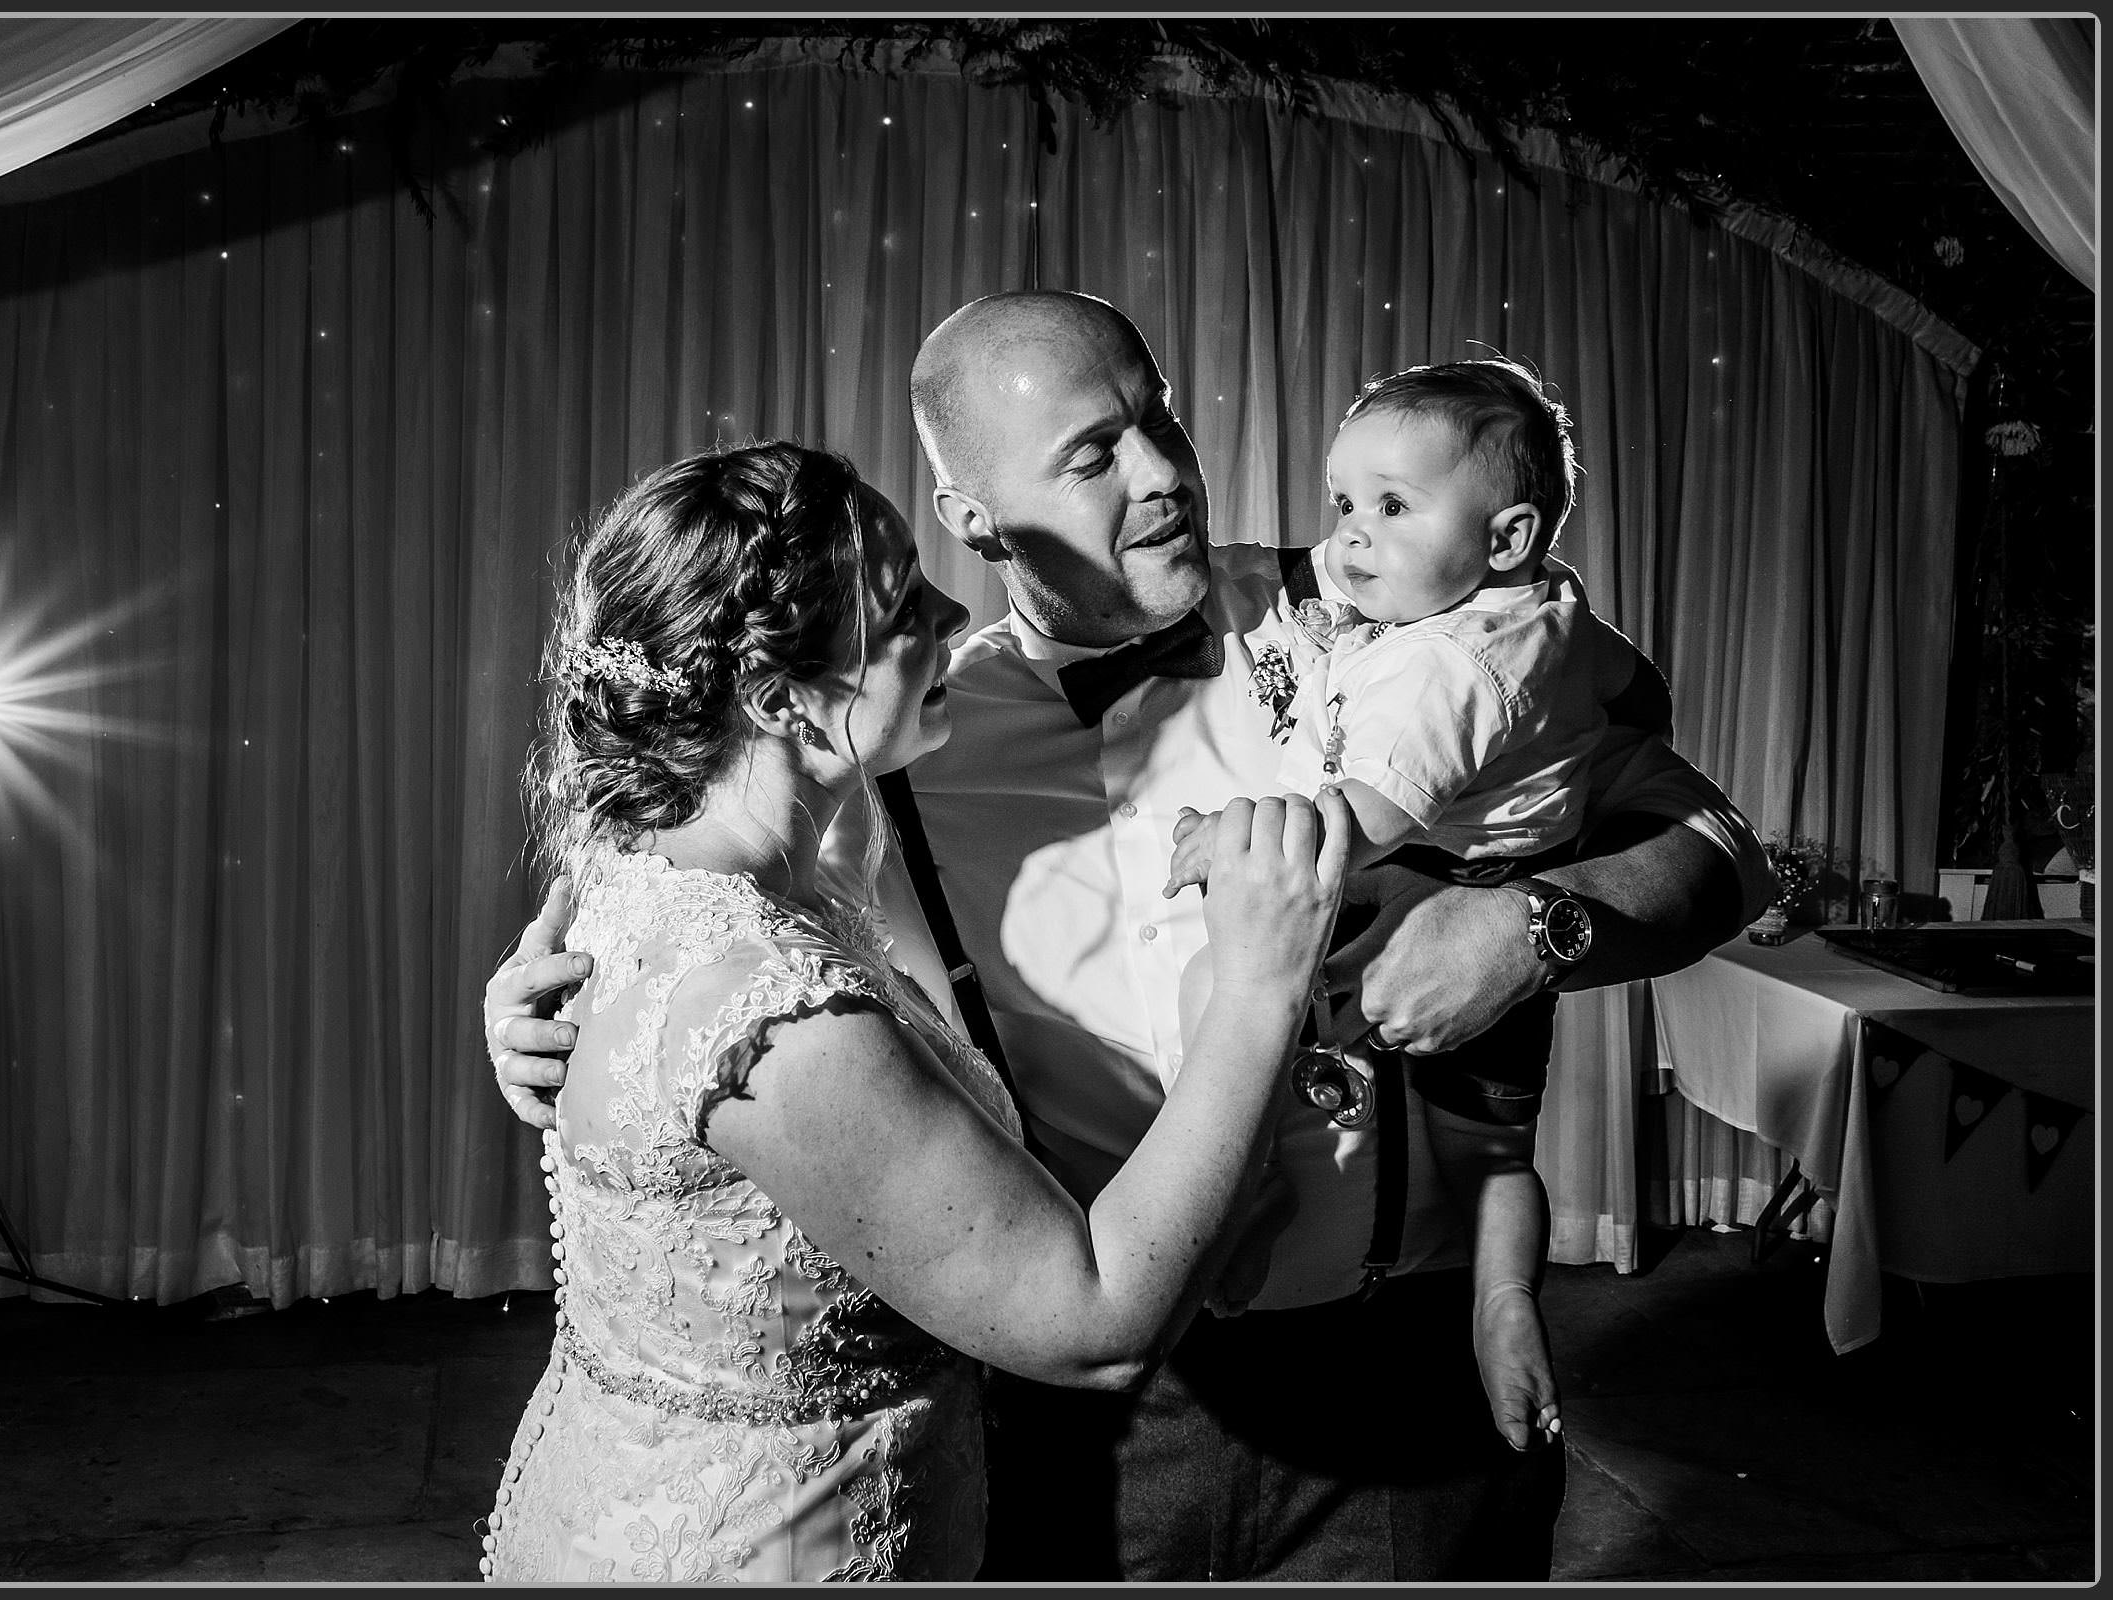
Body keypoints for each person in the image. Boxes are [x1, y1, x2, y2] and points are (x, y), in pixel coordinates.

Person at [489, 292, 1776, 1581]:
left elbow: (1719, 850)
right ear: (972, 516)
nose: (1164, 473)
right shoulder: (901, 745)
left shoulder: (1393, 615)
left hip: (1405, 1371)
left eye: (1160, 420)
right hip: (1082, 1417)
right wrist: (557, 1021)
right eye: (1094, 455)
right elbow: (717, 935)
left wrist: (1534, 924)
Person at [477, 438, 1349, 1583]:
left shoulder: (640, 865)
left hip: (626, 1498)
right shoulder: (775, 1023)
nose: (951, 609)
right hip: (765, 1551)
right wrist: (1259, 983)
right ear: (782, 696)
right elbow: (1093, 1327)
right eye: (900, 605)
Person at [1165, 355, 1616, 1465]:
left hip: (1432, 886)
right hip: (1508, 878)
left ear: (1504, 538)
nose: (1351, 538)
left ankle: (1250, 1184)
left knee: (1215, 985)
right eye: (1344, 503)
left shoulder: (1444, 671)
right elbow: (1621, 693)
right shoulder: (1538, 604)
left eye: (1394, 507)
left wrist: (1222, 831)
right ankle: (1505, 1298)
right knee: (1496, 1150)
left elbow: (1356, 820)